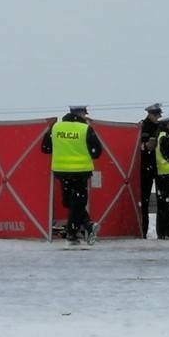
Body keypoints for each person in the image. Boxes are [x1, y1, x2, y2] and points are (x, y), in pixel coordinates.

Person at [41, 105, 102, 246]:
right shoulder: (85, 129)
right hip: (81, 172)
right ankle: (80, 229)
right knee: (78, 202)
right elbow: (96, 152)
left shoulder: (56, 127)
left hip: (61, 171)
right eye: (84, 115)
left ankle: (80, 229)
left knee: (69, 202)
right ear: (81, 114)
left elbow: (45, 148)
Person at [139, 103, 162, 238]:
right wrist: (145, 146)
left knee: (161, 201)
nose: (157, 117)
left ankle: (160, 231)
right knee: (144, 201)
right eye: (155, 115)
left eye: (158, 115)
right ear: (149, 114)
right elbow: (137, 146)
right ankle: (143, 231)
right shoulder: (142, 127)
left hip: (156, 166)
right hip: (146, 167)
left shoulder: (160, 127)